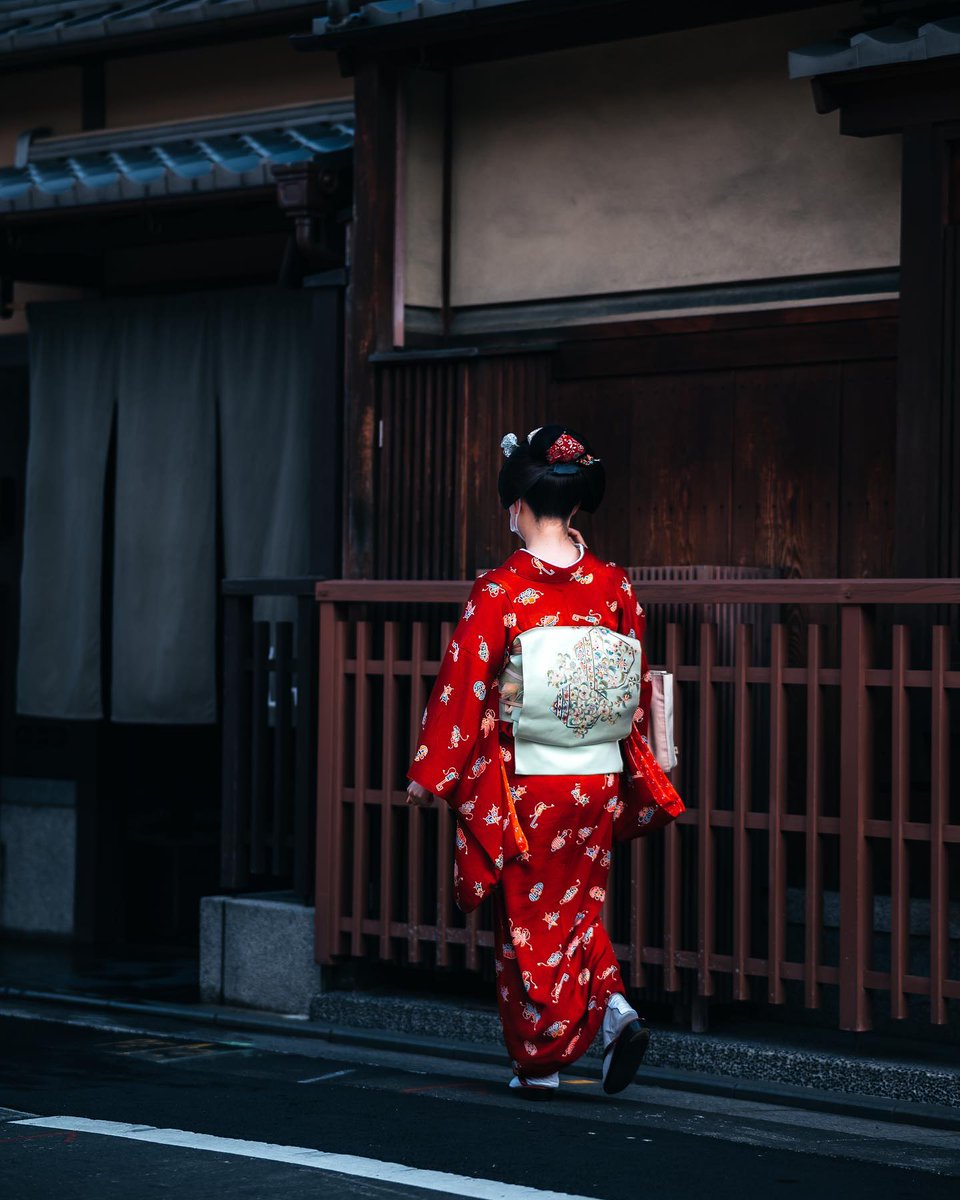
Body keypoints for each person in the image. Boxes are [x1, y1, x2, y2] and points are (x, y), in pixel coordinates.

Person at [405, 424, 684, 1096]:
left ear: (517, 506)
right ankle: (612, 1008)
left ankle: (541, 1057)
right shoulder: (613, 584)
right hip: (596, 774)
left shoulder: (499, 591)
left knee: (529, 919)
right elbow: (632, 687)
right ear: (576, 505)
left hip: (527, 782)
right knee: (577, 906)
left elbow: (465, 686)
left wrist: (430, 772)